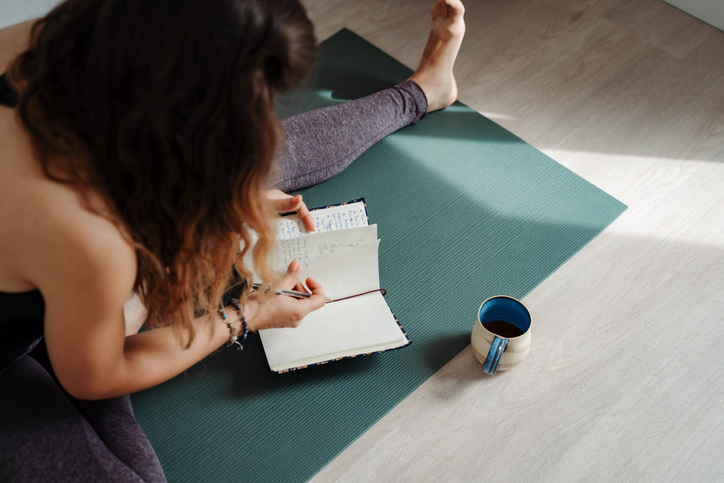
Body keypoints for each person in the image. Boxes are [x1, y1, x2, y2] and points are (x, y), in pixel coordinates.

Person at [0, 0, 465, 480]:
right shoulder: (87, 237)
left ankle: (424, 91)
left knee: (262, 160)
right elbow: (97, 374)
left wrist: (216, 196)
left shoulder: (47, 40)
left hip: (41, 273)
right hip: (22, 344)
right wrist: (247, 314)